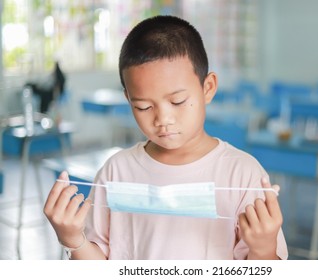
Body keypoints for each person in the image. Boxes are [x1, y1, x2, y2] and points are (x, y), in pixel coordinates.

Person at [44, 15, 288, 260]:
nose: (163, 119)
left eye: (177, 101)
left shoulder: (242, 173)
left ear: (208, 88)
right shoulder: (116, 171)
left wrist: (263, 249)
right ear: (129, 99)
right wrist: (73, 239)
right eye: (143, 107)